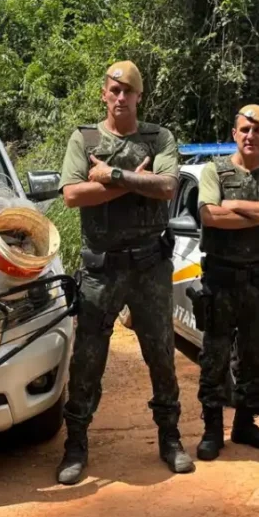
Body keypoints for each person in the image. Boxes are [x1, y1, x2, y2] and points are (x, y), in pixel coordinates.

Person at [55, 60, 194, 485]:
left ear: (138, 97)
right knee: (87, 361)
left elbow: (168, 187)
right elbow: (73, 195)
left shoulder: (160, 136)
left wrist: (112, 174)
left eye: (128, 91)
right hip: (102, 268)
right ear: (104, 94)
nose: (120, 97)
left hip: (151, 266)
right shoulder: (84, 138)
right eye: (114, 90)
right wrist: (137, 179)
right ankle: (76, 444)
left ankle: (170, 439)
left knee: (161, 356)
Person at [192, 105, 259, 461]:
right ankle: (211, 430)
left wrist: (234, 204)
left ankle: (246, 423)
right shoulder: (214, 171)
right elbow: (210, 215)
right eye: (245, 129)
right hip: (222, 279)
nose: (251, 135)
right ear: (234, 134)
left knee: (256, 355)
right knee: (215, 356)